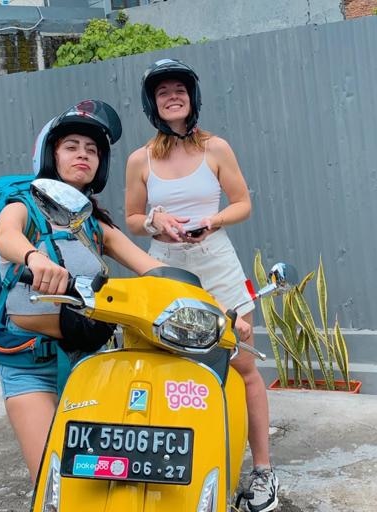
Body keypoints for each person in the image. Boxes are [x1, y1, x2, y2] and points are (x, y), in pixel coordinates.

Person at [124, 58, 279, 512]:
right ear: (153, 104)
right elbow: (131, 219)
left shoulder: (216, 149)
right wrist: (156, 221)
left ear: (191, 98)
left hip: (218, 268)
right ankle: (185, 465)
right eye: (162, 92)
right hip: (167, 273)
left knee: (241, 366)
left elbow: (243, 203)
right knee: (169, 367)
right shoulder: (140, 160)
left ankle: (263, 471)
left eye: (179, 89)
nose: (172, 96)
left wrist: (211, 221)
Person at [0, 99, 166, 483]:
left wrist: (207, 300)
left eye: (92, 150)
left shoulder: (94, 224)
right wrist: (34, 258)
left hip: (88, 364)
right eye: (71, 146)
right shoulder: (23, 205)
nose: (83, 155)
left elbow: (151, 267)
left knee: (100, 478)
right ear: (53, 154)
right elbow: (5, 236)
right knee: (53, 481)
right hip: (29, 369)